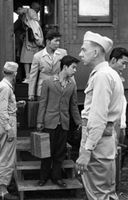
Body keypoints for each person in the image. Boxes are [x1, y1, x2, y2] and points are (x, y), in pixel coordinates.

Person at [76, 31, 124, 200]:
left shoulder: (102, 76)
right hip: (103, 140)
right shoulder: (109, 74)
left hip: (97, 143)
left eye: (83, 49)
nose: (80, 54)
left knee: (98, 194)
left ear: (95, 52)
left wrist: (87, 150)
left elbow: (97, 117)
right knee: (106, 193)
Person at [37, 55, 82, 187]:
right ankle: (43, 177)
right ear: (65, 67)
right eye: (73, 67)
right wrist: (40, 121)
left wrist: (79, 122)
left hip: (64, 123)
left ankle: (56, 177)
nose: (75, 70)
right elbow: (43, 103)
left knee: (60, 152)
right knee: (46, 152)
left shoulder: (72, 85)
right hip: (49, 122)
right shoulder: (48, 82)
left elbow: (73, 106)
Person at [0, 62, 21, 200]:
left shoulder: (2, 86)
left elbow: (4, 107)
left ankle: (4, 187)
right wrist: (9, 129)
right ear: (14, 74)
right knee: (6, 158)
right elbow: (2, 111)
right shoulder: (5, 88)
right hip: (6, 124)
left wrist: (16, 105)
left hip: (4, 123)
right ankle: (2, 192)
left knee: (5, 155)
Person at [28, 30, 67, 101]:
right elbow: (33, 76)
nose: (58, 43)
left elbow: (67, 71)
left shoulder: (63, 53)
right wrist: (31, 93)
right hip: (42, 89)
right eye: (56, 41)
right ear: (48, 42)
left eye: (59, 41)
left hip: (58, 88)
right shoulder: (38, 56)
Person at [109, 47, 128, 167]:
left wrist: (123, 123)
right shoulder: (106, 77)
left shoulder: (117, 76)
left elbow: (122, 101)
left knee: (117, 154)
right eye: (123, 63)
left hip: (119, 122)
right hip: (111, 124)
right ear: (114, 60)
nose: (124, 67)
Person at [19, 2, 44, 83]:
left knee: (27, 58)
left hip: (30, 40)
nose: (37, 11)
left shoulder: (30, 15)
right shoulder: (31, 12)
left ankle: (28, 76)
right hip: (32, 39)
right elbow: (20, 11)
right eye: (37, 9)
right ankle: (31, 76)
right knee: (32, 59)